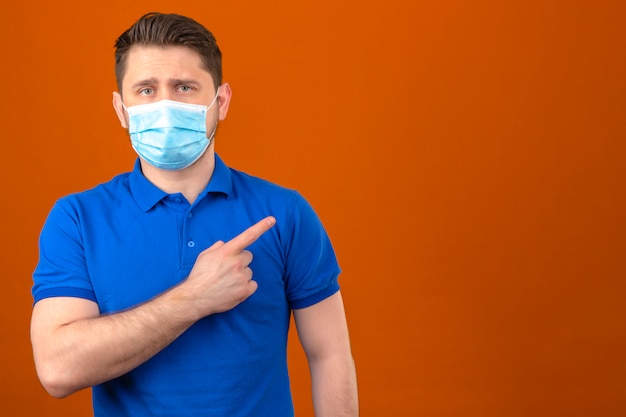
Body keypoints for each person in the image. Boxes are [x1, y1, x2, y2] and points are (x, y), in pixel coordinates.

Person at [30, 12, 358, 417]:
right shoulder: (77, 219)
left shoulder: (284, 213)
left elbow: (330, 355)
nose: (165, 105)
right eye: (146, 90)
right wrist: (194, 298)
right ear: (121, 109)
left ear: (220, 102)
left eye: (184, 87)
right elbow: (57, 370)